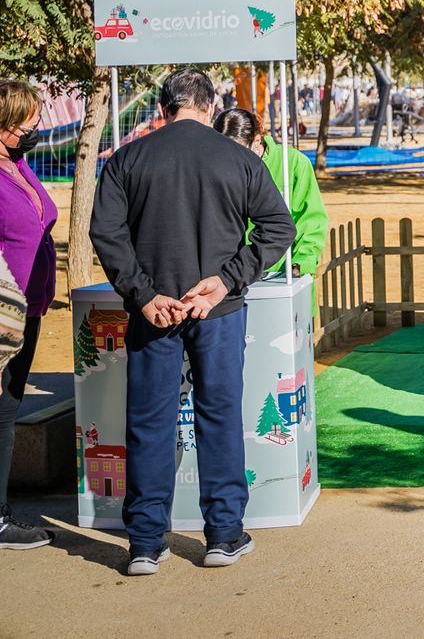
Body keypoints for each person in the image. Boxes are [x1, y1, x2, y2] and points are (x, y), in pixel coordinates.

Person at [90, 69, 294, 576]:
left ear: (163, 108)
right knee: (219, 417)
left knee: (149, 423)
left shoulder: (127, 159)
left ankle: (143, 544)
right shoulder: (240, 158)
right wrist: (227, 280)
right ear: (209, 106)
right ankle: (223, 536)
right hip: (216, 310)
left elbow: (105, 233)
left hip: (154, 311)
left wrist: (142, 294)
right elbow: (279, 228)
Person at [0, 79, 59, 549]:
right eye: (27, 122)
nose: (35, 127)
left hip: (27, 310)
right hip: (2, 316)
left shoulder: (17, 163)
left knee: (8, 408)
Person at [213, 109, 328, 282]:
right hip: (232, 275)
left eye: (237, 152)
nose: (231, 159)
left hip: (283, 274)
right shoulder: (216, 169)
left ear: (256, 140)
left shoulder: (294, 164)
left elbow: (311, 218)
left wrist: (302, 262)